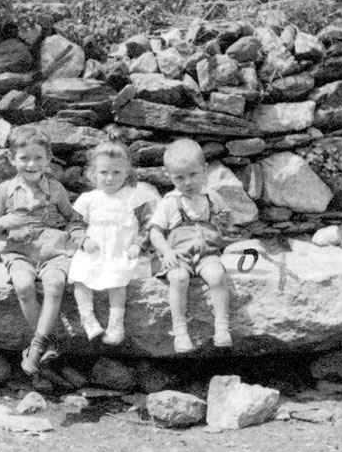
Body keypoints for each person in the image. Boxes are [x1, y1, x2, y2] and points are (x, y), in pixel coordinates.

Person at [0, 125, 81, 375]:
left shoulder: (56, 189)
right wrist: (5, 222)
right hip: (18, 251)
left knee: (55, 284)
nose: (31, 164)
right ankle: (47, 343)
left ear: (48, 159)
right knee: (24, 287)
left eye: (38, 158)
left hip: (51, 250)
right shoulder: (4, 190)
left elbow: (73, 218)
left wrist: (79, 235)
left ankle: (37, 346)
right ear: (12, 159)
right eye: (24, 158)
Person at [68, 140, 160, 345]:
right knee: (80, 276)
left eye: (116, 173)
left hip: (121, 251)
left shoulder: (135, 197)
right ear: (93, 173)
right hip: (94, 251)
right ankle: (88, 318)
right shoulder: (88, 199)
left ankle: (116, 323)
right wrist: (83, 240)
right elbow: (75, 225)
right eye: (104, 173)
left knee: (118, 279)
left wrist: (139, 244)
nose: (110, 178)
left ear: (127, 172)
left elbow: (149, 225)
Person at [149, 138, 233, 353]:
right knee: (179, 278)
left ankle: (222, 327)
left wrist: (224, 220)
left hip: (207, 254)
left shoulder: (212, 197)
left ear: (204, 170)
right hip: (179, 255)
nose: (187, 182)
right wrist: (166, 251)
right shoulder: (169, 202)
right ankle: (180, 330)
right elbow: (155, 232)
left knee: (217, 276)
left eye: (193, 175)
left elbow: (227, 220)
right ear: (169, 177)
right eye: (180, 177)